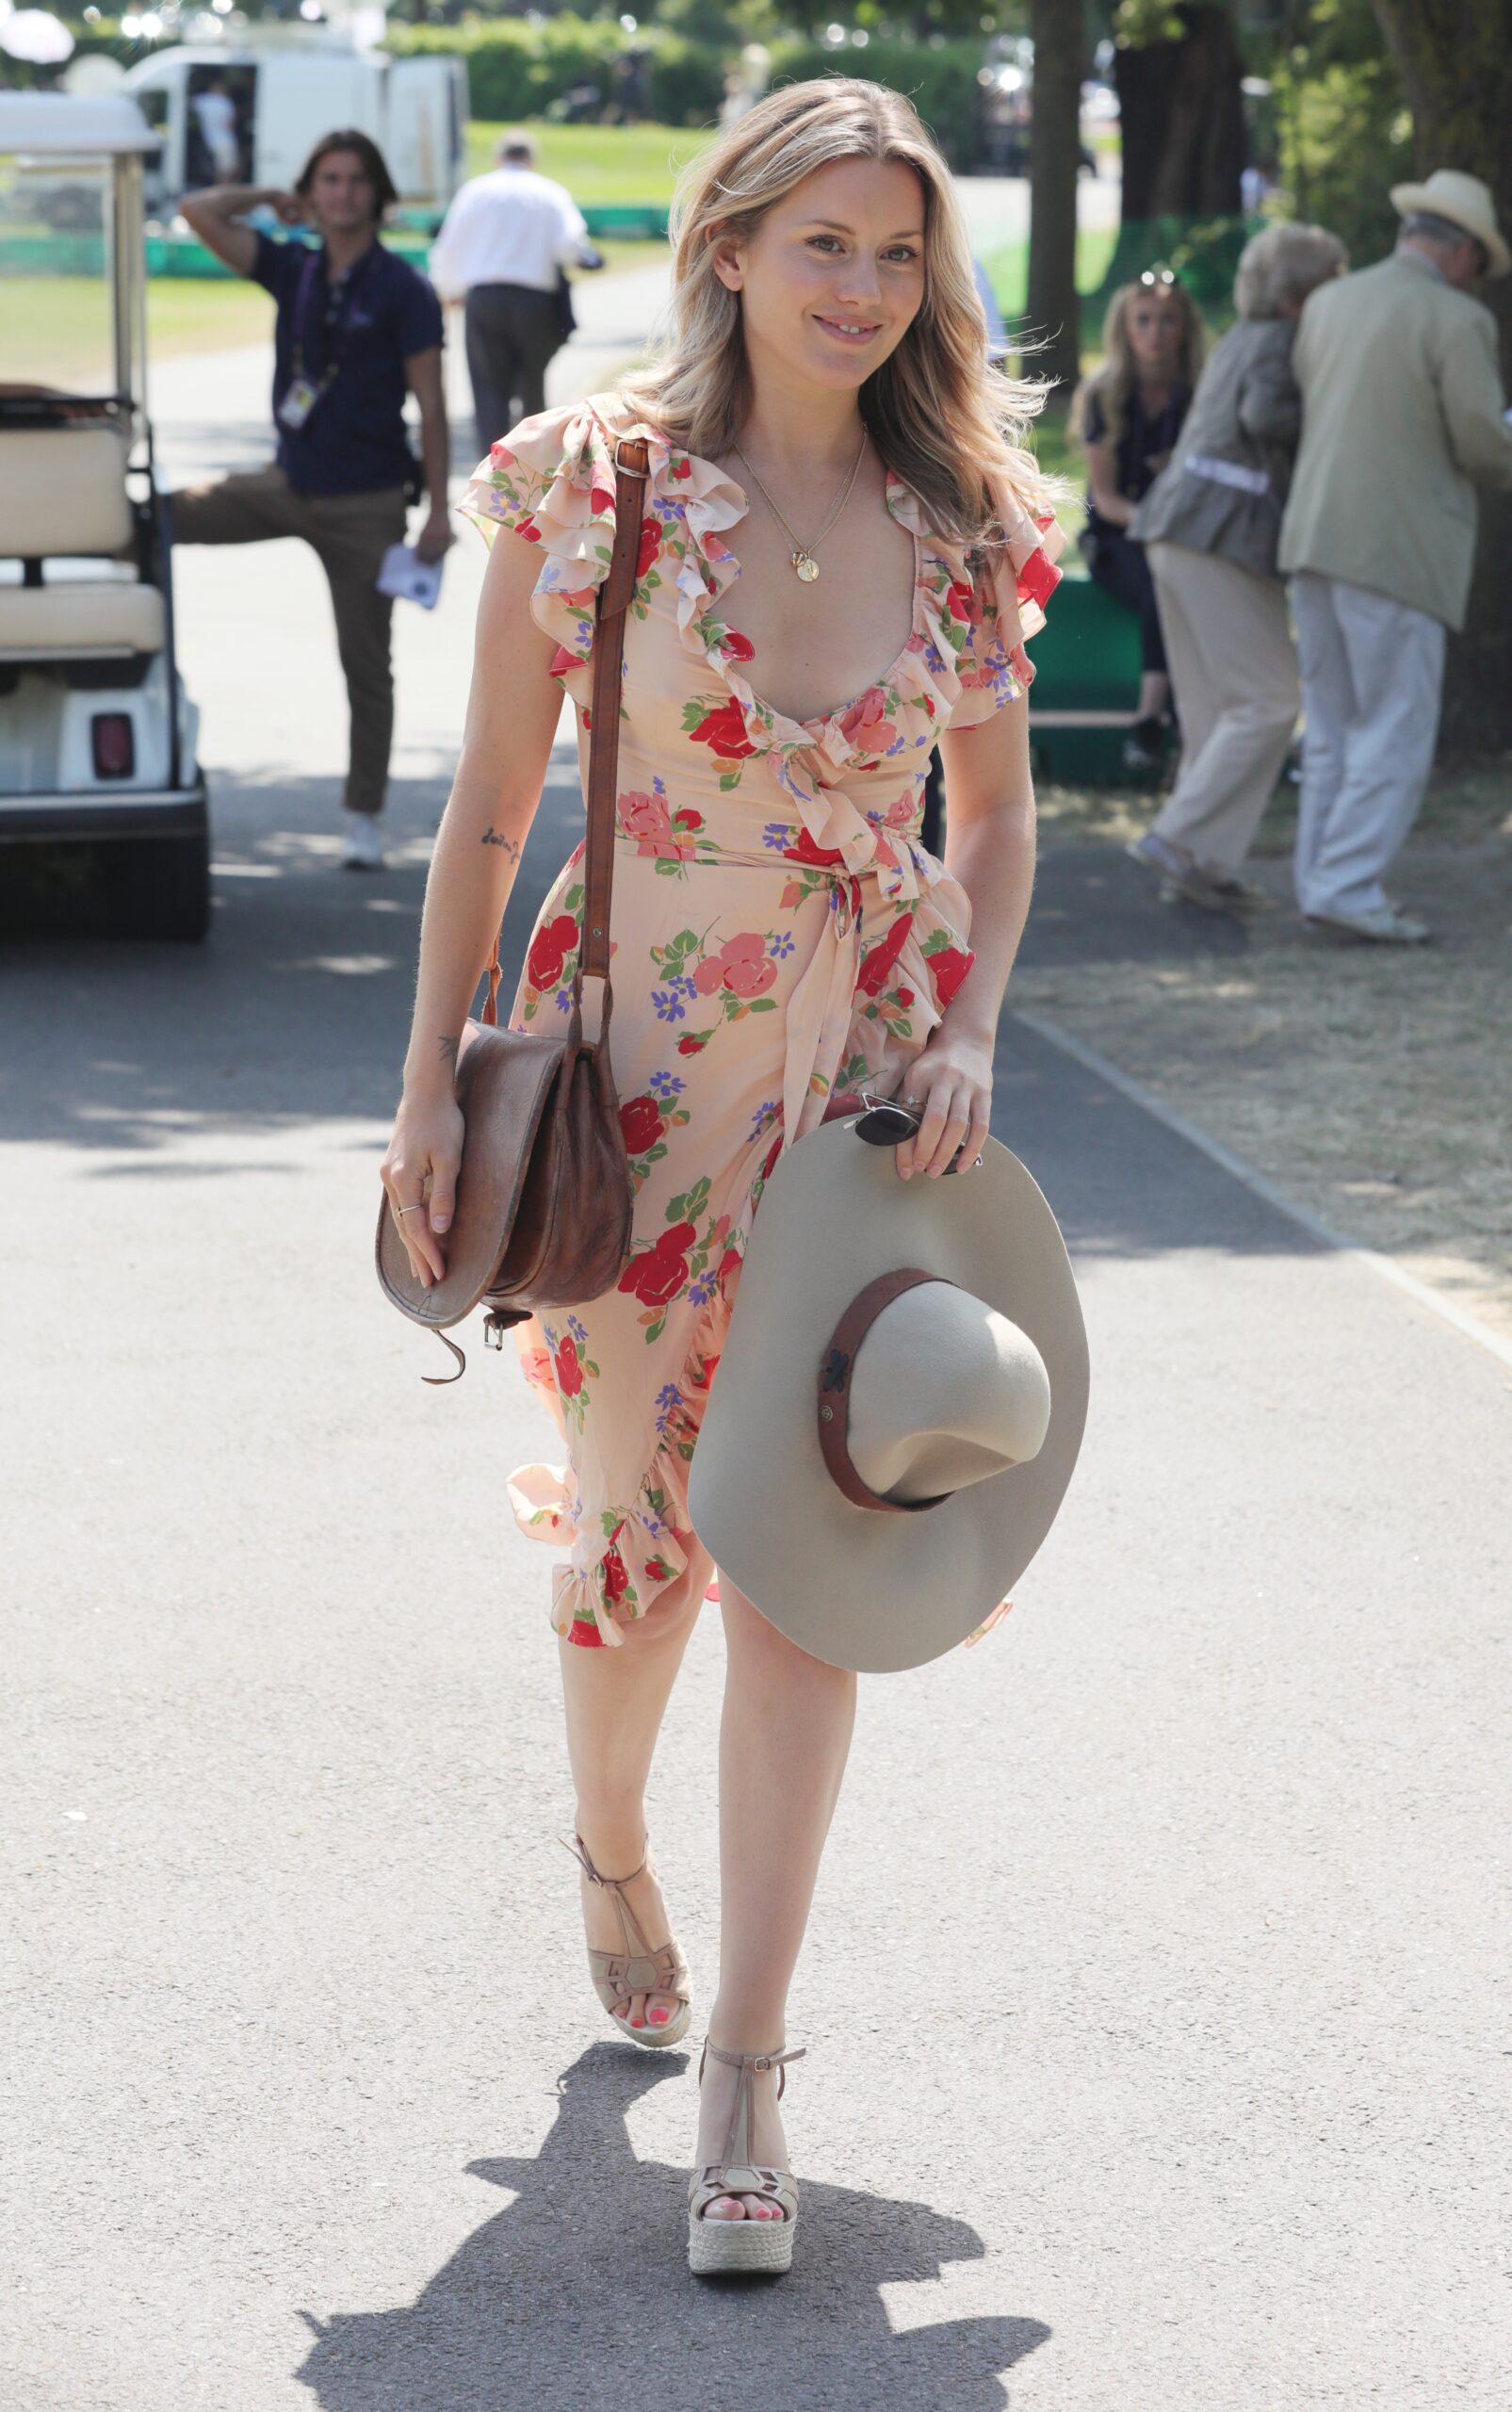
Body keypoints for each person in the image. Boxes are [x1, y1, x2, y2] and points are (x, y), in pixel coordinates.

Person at [379, 78, 1063, 2274]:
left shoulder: (959, 523)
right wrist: (419, 1094)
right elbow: (488, 813)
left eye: (896, 253)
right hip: (637, 1078)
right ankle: (604, 1833)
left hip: (857, 1103)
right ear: (732, 246)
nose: (863, 290)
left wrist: (962, 1022)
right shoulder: (599, 490)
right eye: (823, 244)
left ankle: (750, 2068)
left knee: (802, 1555)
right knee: (635, 1552)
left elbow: (997, 814)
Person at [176, 132, 449, 871]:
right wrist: (267, 198)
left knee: (366, 663)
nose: (342, 193)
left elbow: (429, 404)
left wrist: (439, 513)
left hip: (366, 503)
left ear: (377, 193)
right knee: (154, 516)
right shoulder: (291, 265)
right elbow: (197, 211)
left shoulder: (403, 288)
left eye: (356, 180)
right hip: (285, 485)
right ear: (311, 191)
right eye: (327, 180)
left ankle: (363, 814)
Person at [1279, 170, 1512, 944]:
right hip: (1400, 546)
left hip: (1314, 536)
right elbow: (1481, 438)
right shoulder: (1455, 318)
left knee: (1337, 728)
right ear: (1462, 252)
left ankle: (1322, 880)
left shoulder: (1330, 302)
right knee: (1394, 726)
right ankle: (1346, 887)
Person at [1127, 221, 1346, 912]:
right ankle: (1177, 836)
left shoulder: (1241, 337)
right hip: (1222, 530)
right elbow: (1266, 415)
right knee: (1269, 700)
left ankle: (1199, 864)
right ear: (1302, 295)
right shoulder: (1286, 341)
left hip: (1172, 525)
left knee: (1213, 710)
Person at [1071, 269, 1204, 771]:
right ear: (1124, 329)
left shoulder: (1198, 397)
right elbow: (1104, 499)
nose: (1155, 333)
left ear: (1185, 329)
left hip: (1183, 536)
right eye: (1143, 321)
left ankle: (1180, 731)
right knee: (1162, 585)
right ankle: (1153, 721)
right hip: (1118, 536)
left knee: (1184, 581)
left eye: (1167, 321)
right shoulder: (1105, 393)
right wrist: (1157, 524)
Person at [429, 131, 603, 454]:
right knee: (532, 384)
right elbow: (569, 246)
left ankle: (492, 470)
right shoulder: (549, 192)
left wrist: (448, 290)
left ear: (499, 158)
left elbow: (449, 249)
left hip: (484, 299)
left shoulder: (476, 191)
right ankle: (533, 466)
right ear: (530, 159)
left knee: (488, 389)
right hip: (534, 301)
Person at [191, 73, 241, 186]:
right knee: (229, 169)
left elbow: (190, 105)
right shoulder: (225, 102)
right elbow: (230, 124)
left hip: (210, 140)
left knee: (220, 168)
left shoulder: (203, 100)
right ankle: (223, 189)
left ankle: (220, 188)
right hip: (225, 140)